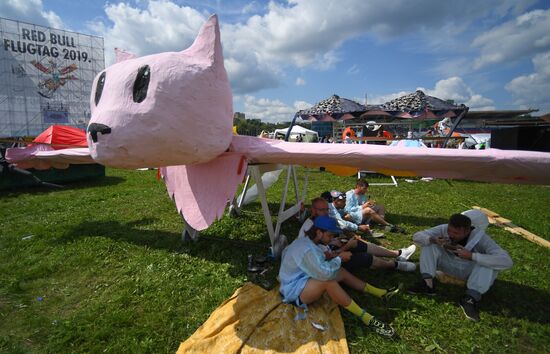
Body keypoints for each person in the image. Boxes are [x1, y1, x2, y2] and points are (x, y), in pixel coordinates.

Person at [279, 215, 398, 338]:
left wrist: (337, 257)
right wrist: (340, 258)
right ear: (319, 232)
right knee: (328, 281)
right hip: (293, 291)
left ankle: (380, 293)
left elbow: (321, 263)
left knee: (339, 271)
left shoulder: (310, 243)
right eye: (330, 235)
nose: (332, 239)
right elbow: (325, 274)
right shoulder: (305, 249)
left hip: (303, 279)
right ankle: (367, 318)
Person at [408, 210, 513, 321]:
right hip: (448, 265)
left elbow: (506, 261)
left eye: (456, 233)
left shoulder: (481, 238)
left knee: (488, 263)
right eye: (450, 230)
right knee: (428, 244)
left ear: (467, 231)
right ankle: (428, 285)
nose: (451, 235)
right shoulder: (444, 229)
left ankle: (470, 298)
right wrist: (433, 239)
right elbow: (417, 236)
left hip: (470, 272)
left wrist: (472, 256)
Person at [299, 198, 416, 272]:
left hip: (327, 253)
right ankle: (394, 265)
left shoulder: (318, 221)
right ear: (313, 210)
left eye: (326, 209)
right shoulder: (310, 228)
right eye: (322, 210)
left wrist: (335, 241)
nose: (326, 212)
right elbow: (320, 257)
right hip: (321, 265)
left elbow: (325, 244)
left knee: (357, 244)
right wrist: (345, 247)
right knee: (363, 257)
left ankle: (398, 253)